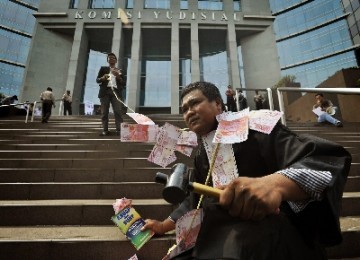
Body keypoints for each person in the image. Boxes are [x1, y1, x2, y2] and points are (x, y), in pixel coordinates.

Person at [142, 81, 351, 259]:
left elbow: (323, 160)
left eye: (194, 103)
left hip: (272, 230)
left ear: (217, 104)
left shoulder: (255, 128)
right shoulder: (201, 155)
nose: (189, 112)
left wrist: (276, 185)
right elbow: (194, 197)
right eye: (184, 109)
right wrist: (162, 226)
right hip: (220, 234)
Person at [96, 52, 126, 136]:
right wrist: (102, 78)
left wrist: (118, 77)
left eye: (113, 58)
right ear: (107, 60)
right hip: (105, 92)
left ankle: (119, 130)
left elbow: (124, 83)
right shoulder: (103, 69)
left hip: (116, 92)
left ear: (115, 60)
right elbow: (97, 80)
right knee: (104, 112)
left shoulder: (120, 71)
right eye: (109, 58)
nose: (111, 59)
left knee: (118, 111)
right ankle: (105, 130)